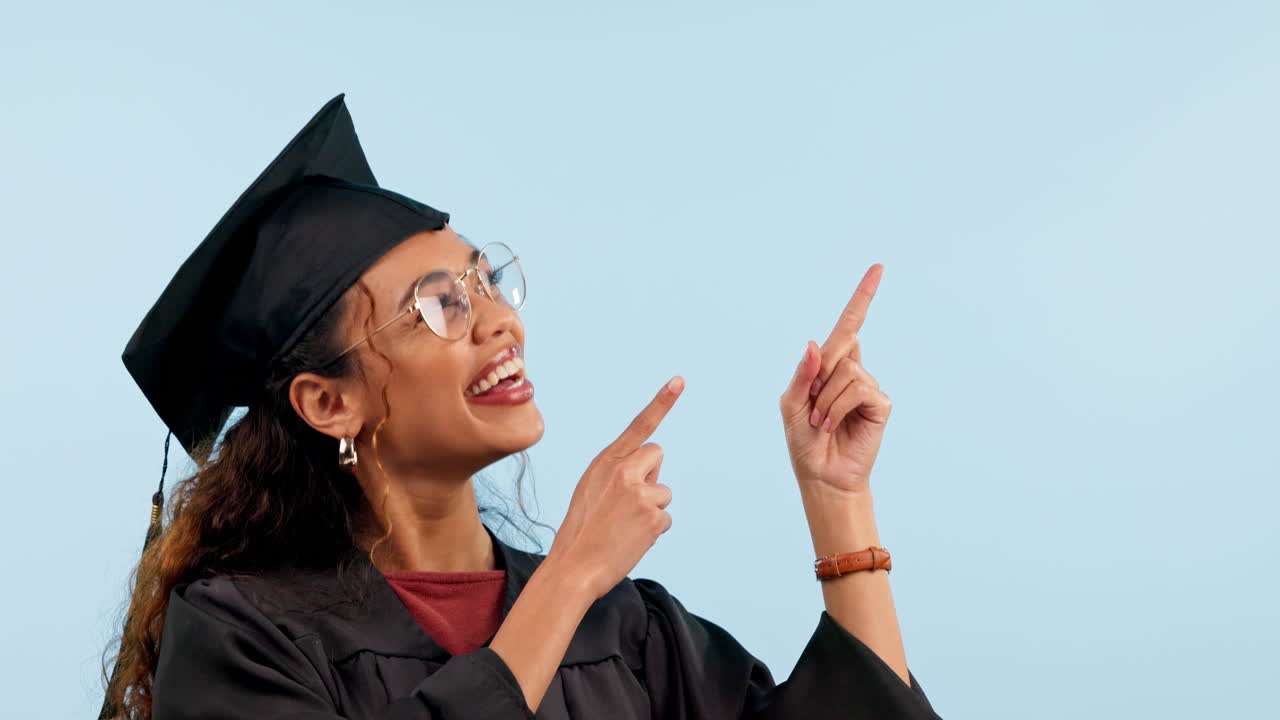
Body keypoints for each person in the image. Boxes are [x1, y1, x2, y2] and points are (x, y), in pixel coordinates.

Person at [99, 94, 942, 720]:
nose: (502, 320)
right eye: (440, 305)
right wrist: (571, 574)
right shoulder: (245, 636)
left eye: (485, 281)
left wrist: (839, 504)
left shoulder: (625, 631)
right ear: (329, 402)